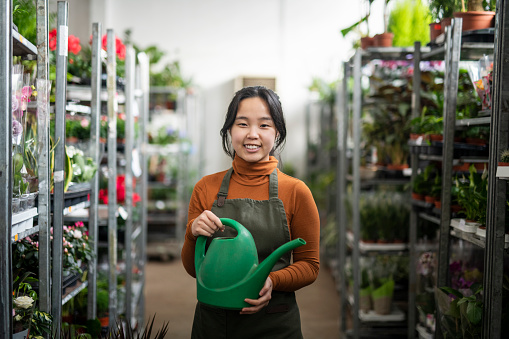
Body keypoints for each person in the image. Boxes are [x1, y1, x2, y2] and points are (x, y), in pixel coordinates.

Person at [181, 86, 320, 338]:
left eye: (264, 125)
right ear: (229, 130)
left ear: (277, 132)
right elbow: (193, 269)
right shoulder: (205, 188)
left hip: (274, 322)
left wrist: (272, 281)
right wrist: (192, 233)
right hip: (213, 323)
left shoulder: (297, 192)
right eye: (242, 124)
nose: (252, 134)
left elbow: (309, 265)